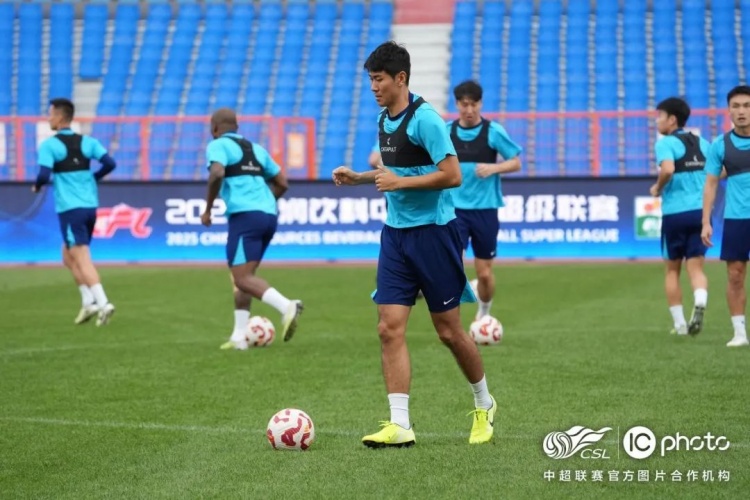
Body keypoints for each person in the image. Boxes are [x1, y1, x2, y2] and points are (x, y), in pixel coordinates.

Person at [332, 41, 496, 448]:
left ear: (400, 78)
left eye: (379, 79)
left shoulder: (426, 120)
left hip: (435, 234)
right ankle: (400, 424)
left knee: (449, 332)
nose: (374, 87)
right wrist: (359, 178)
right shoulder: (383, 119)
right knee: (388, 328)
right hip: (395, 236)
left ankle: (484, 402)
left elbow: (452, 175)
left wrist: (400, 182)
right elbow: (394, 171)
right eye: (371, 80)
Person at [200, 108, 303, 349]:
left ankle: (286, 306)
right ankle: (239, 338)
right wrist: (264, 204)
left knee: (242, 277)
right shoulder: (257, 149)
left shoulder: (217, 145)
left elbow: (217, 173)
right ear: (237, 127)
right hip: (268, 216)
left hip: (244, 217)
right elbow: (282, 183)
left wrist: (208, 209)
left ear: (214, 128)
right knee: (245, 277)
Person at [32, 98, 117, 326]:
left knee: (81, 257)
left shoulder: (49, 146)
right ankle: (88, 301)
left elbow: (43, 175)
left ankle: (103, 303)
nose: (49, 118)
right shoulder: (88, 142)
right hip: (90, 207)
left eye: (51, 114)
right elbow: (110, 163)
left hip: (70, 208)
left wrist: (37, 186)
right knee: (68, 255)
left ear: (60, 117)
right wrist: (93, 177)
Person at [447, 80, 522, 320]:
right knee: (452, 265)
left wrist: (493, 168)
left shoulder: (493, 131)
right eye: (464, 104)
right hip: (454, 210)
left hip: (485, 210)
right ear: (457, 104)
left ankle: (484, 312)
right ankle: (453, 321)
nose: (469, 110)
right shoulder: (446, 132)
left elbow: (516, 162)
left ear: (480, 104)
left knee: (485, 274)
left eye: (474, 104)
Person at [649, 97, 710, 336]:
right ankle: (700, 299)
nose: (657, 121)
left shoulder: (665, 143)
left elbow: (667, 169)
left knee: (672, 270)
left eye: (660, 116)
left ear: (672, 119)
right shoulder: (703, 143)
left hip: (675, 213)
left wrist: (658, 188)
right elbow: (718, 172)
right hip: (700, 213)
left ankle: (680, 324)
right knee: (696, 268)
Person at [702, 85, 750, 347]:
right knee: (735, 275)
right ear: (729, 110)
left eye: (747, 106)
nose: (742, 111)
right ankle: (740, 333)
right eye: (736, 106)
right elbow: (710, 184)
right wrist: (705, 221)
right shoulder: (720, 145)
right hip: (737, 218)